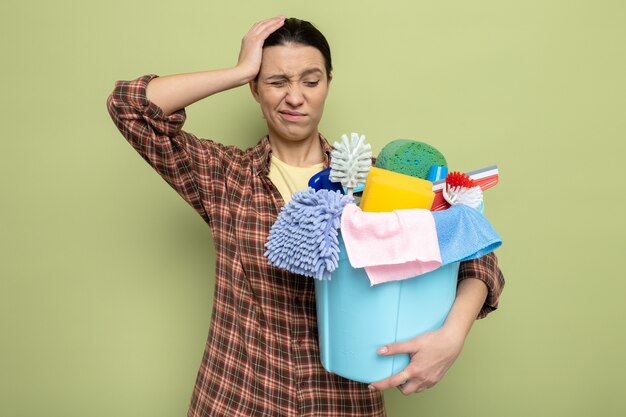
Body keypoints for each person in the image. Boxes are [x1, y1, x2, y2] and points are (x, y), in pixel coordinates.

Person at [107, 16, 505, 417]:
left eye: (310, 81)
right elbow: (129, 107)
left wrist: (452, 337)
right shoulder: (222, 175)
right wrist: (239, 69)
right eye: (277, 81)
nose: (295, 97)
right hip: (237, 399)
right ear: (255, 89)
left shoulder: (376, 182)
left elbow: (474, 249)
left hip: (343, 403)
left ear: (328, 83)